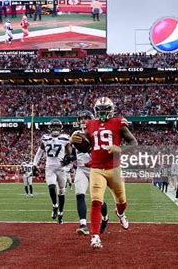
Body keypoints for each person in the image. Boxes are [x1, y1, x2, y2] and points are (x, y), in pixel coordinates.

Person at [74, 97, 138, 249]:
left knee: (122, 201)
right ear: (96, 111)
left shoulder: (118, 122)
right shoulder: (89, 124)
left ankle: (120, 214)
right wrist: (77, 142)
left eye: (105, 110)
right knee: (96, 202)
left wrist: (120, 150)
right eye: (100, 110)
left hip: (114, 168)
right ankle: (95, 236)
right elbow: (87, 146)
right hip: (96, 168)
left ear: (111, 110)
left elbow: (134, 143)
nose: (102, 113)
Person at [67, 111, 109, 236]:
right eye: (81, 118)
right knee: (80, 195)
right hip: (81, 168)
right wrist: (69, 157)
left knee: (97, 199)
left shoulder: (97, 133)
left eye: (86, 118)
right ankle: (83, 224)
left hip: (95, 169)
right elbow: (72, 151)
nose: (83, 121)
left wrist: (89, 148)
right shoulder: (75, 134)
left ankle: (105, 217)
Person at [33, 119, 72, 224]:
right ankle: (55, 205)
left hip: (61, 168)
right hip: (49, 167)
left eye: (57, 127)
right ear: (50, 128)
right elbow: (39, 152)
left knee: (62, 192)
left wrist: (68, 164)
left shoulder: (65, 139)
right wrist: (34, 164)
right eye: (53, 127)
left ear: (60, 128)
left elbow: (70, 155)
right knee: (51, 187)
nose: (55, 129)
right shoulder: (45, 138)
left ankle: (61, 213)